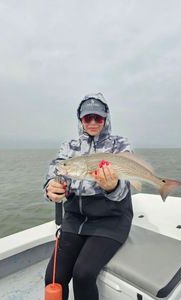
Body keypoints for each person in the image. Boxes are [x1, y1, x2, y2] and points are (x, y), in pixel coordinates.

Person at [44, 93, 133, 300]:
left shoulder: (119, 145)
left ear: (106, 119)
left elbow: (124, 190)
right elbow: (56, 171)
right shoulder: (69, 147)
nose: (93, 122)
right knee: (53, 277)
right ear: (80, 120)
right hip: (76, 219)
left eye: (98, 118)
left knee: (83, 274)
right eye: (87, 118)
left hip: (111, 220)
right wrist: (51, 187)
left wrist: (112, 187)